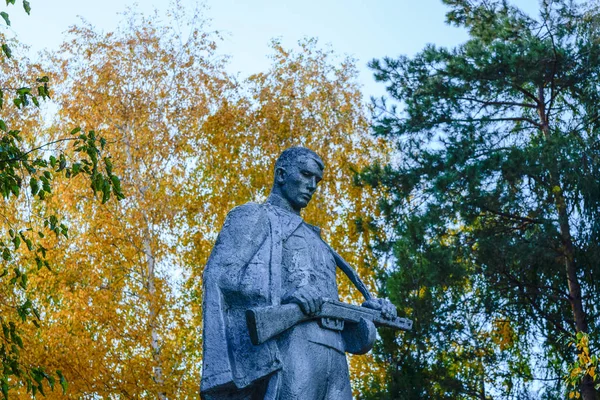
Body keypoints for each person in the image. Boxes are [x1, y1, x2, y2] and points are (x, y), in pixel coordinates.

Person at [200, 147, 396, 400]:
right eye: (305, 175)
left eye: (317, 180)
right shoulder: (255, 216)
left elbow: (329, 302)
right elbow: (222, 278)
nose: (312, 185)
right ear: (281, 175)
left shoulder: (318, 240)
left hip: (335, 355)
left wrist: (369, 310)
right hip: (291, 348)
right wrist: (289, 295)